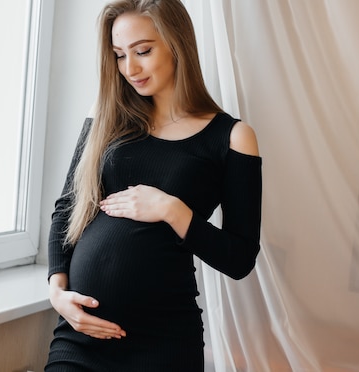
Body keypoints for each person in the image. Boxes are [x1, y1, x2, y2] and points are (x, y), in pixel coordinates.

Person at [45, 0, 262, 370]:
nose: (130, 68)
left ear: (177, 43)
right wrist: (57, 291)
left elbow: (240, 259)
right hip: (81, 336)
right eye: (119, 55)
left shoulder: (231, 137)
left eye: (143, 51)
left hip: (164, 341)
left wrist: (172, 210)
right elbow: (68, 207)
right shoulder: (106, 115)